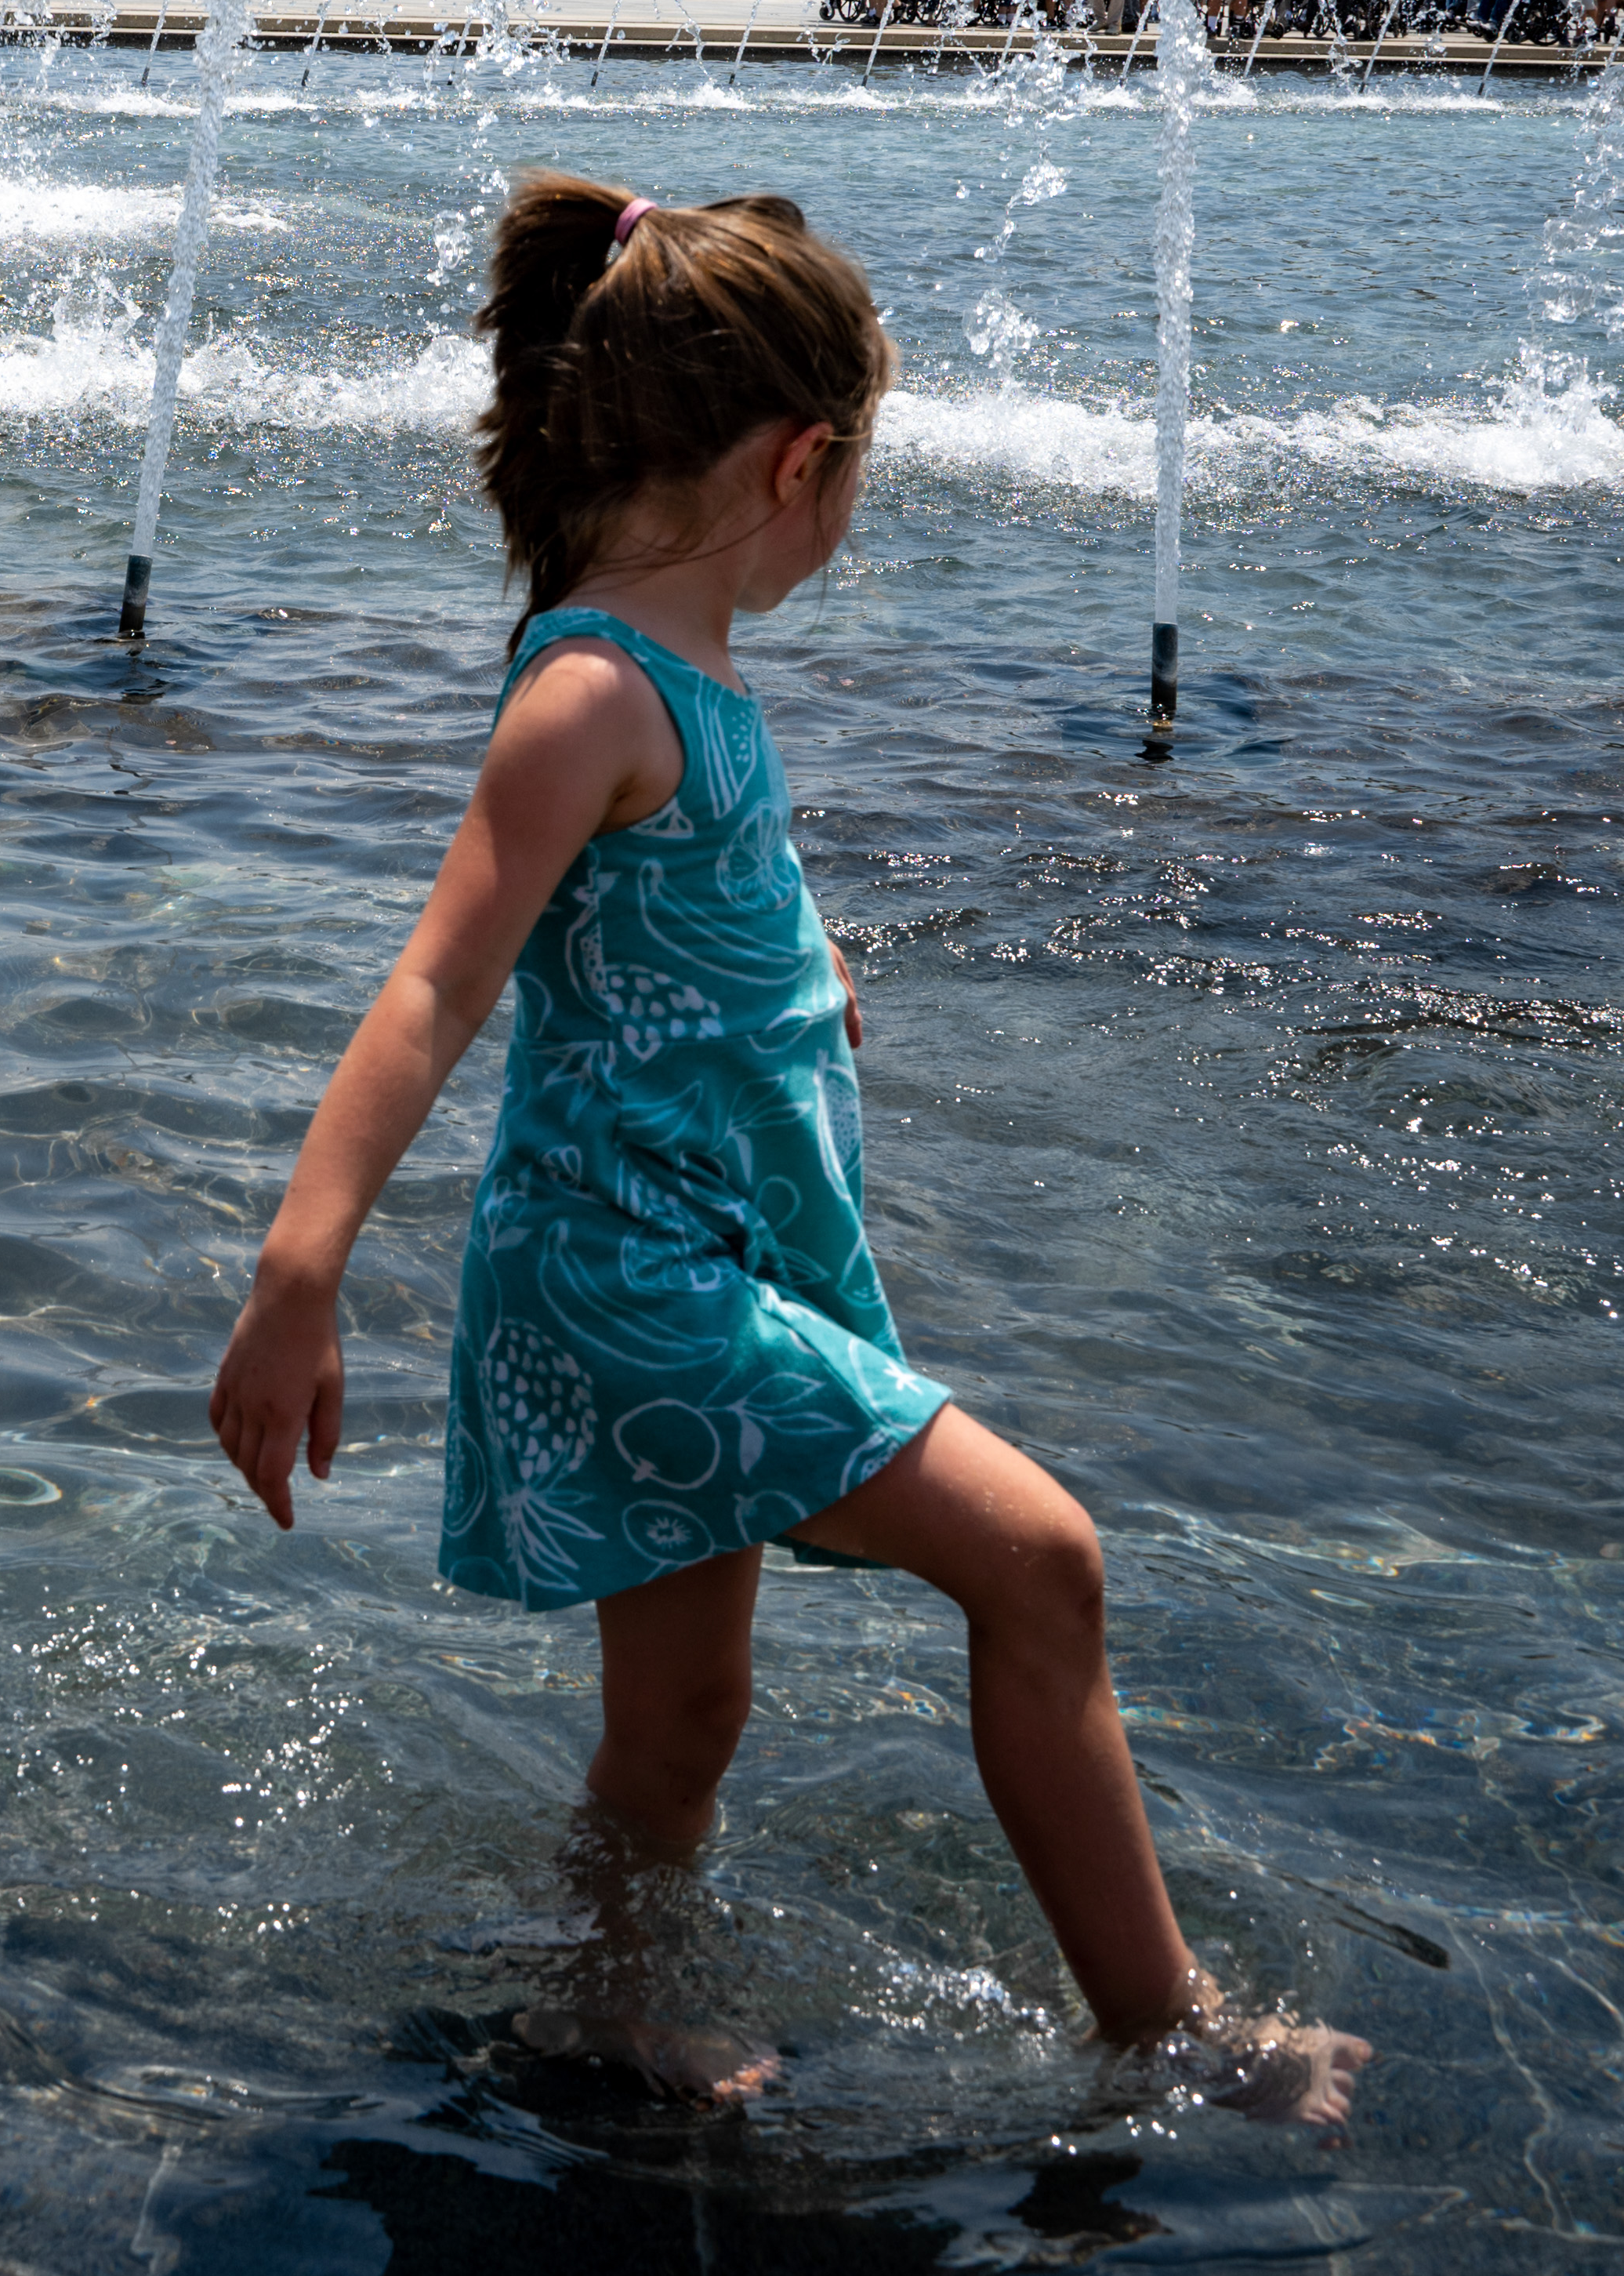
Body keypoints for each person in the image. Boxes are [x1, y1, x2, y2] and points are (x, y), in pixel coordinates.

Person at [207, 172, 1365, 2122]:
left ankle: (598, 1997)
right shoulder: (589, 689)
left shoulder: (670, 674)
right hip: (634, 1271)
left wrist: (797, 979)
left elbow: (655, 917)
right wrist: (297, 1268)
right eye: (856, 487)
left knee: (678, 1721)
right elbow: (429, 989)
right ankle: (1161, 2023)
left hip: (707, 1251)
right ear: (798, 460)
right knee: (1041, 1562)